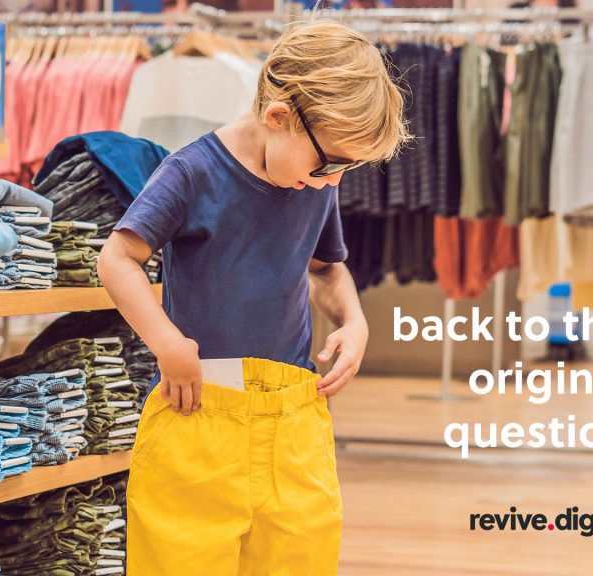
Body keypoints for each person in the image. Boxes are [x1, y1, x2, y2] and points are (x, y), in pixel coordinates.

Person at [98, 17, 409, 576]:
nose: (334, 181)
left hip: (293, 424)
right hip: (196, 418)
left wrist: (354, 319)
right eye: (331, 164)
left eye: (348, 169)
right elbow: (117, 258)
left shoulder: (310, 180)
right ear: (278, 117)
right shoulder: (191, 173)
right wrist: (166, 343)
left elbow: (327, 269)